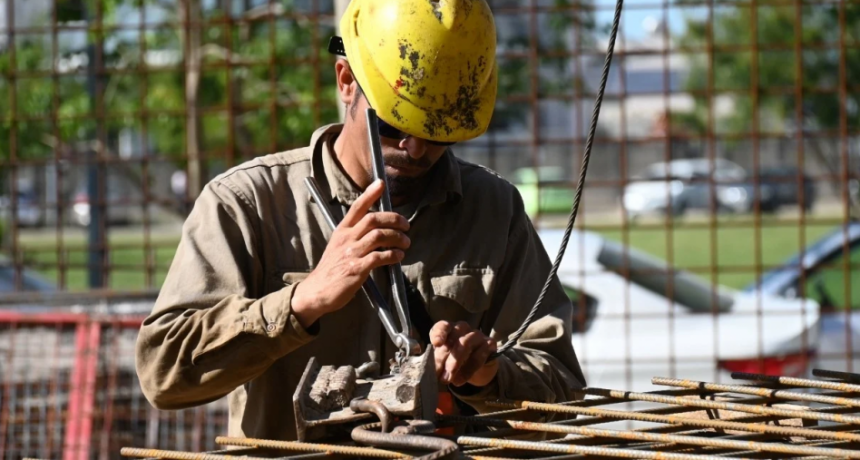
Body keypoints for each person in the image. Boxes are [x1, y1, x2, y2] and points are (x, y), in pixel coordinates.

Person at [135, 0, 585, 441]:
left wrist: (489, 374)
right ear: (346, 81)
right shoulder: (247, 204)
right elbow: (163, 375)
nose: (415, 150)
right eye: (393, 125)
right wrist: (301, 302)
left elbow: (563, 388)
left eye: (436, 132)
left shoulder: (492, 209)